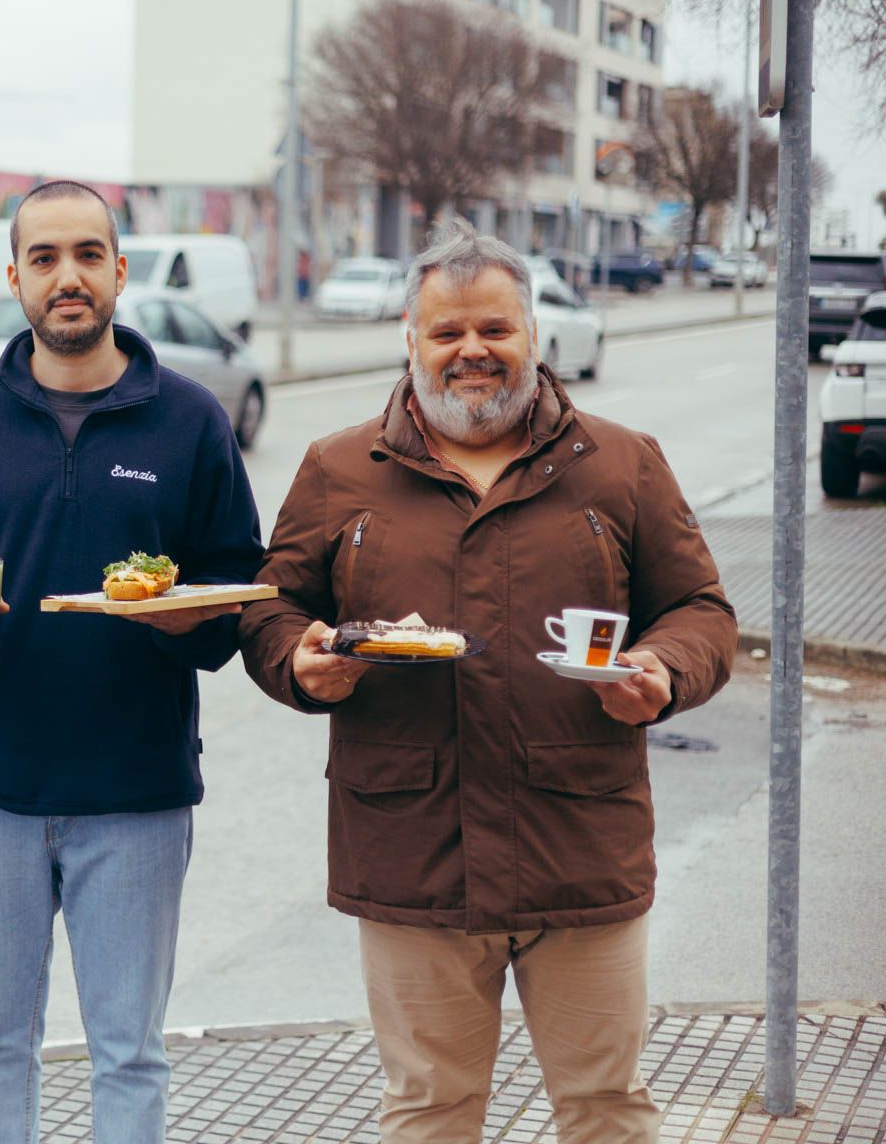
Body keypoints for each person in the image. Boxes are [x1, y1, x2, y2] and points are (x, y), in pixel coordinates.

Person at [238, 220, 737, 1144]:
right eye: (448, 332)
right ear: (413, 341)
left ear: (533, 334)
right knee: (429, 1113)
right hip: (411, 852)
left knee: (606, 1111)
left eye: (496, 330)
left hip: (579, 847)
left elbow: (703, 612)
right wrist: (300, 664)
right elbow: (270, 608)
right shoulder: (341, 469)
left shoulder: (621, 463)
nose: (473, 351)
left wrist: (663, 672)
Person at [0, 180, 263, 1144]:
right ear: (14, 277)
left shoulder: (188, 420)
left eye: (88, 256)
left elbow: (238, 585)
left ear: (119, 272)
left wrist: (189, 620)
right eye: (45, 258)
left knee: (129, 1050)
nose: (68, 278)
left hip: (135, 790)